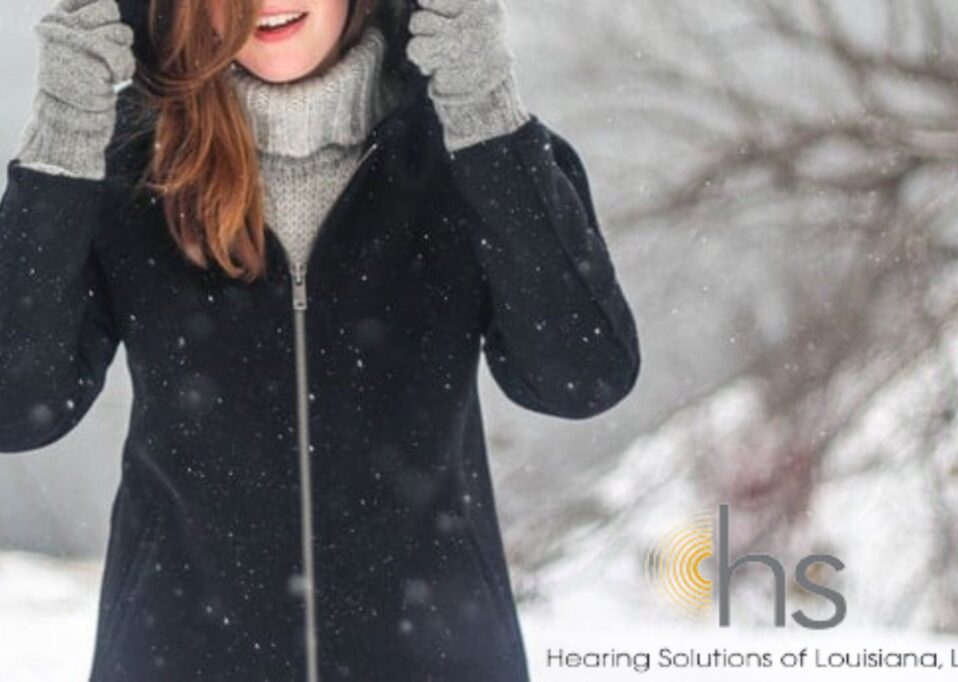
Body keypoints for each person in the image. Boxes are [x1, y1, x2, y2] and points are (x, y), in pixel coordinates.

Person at [0, 0, 642, 679]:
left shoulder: (471, 156)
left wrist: (482, 107)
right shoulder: (134, 173)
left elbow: (582, 378)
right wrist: (64, 132)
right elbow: (16, 407)